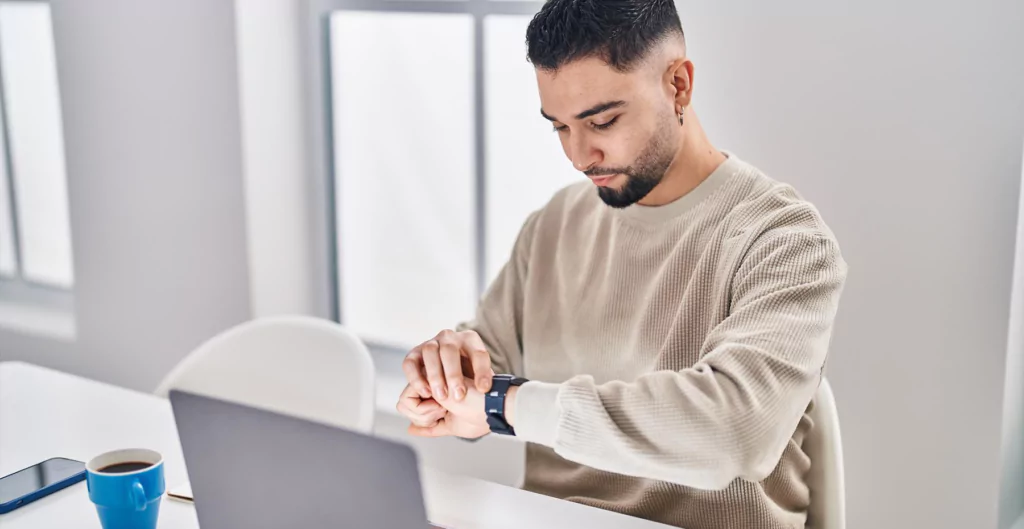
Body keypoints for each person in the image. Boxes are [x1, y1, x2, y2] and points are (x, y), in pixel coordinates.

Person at [395, 1, 848, 527]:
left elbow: (733, 431)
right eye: (559, 128)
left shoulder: (786, 242)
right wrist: (447, 378)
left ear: (678, 84)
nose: (579, 155)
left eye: (603, 121)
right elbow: (484, 372)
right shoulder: (555, 224)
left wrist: (506, 406)